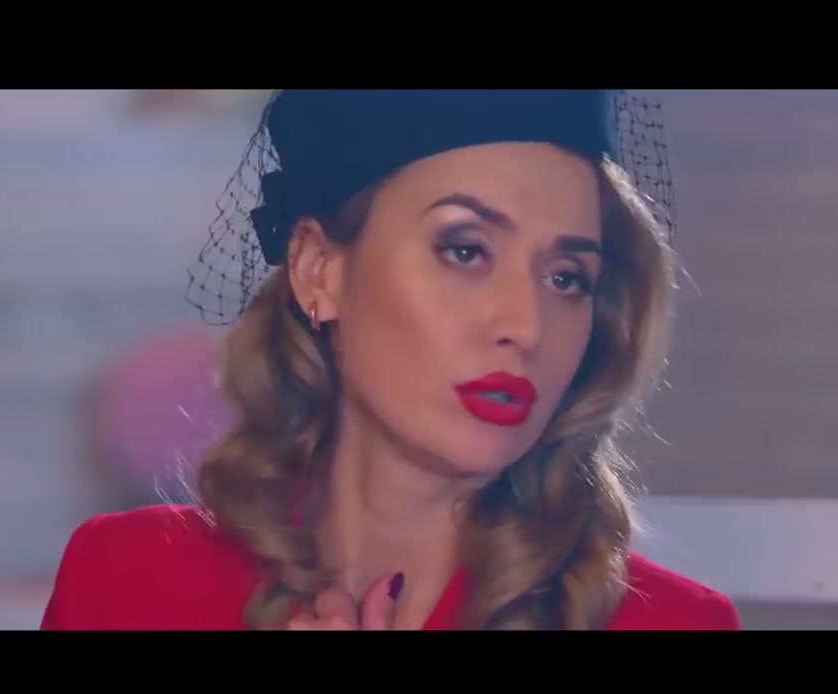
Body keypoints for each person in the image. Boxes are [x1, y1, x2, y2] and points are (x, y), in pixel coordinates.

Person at [41, 89, 740, 630]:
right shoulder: (126, 583)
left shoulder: (675, 623)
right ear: (318, 270)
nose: (526, 326)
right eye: (465, 250)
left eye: (566, 278)